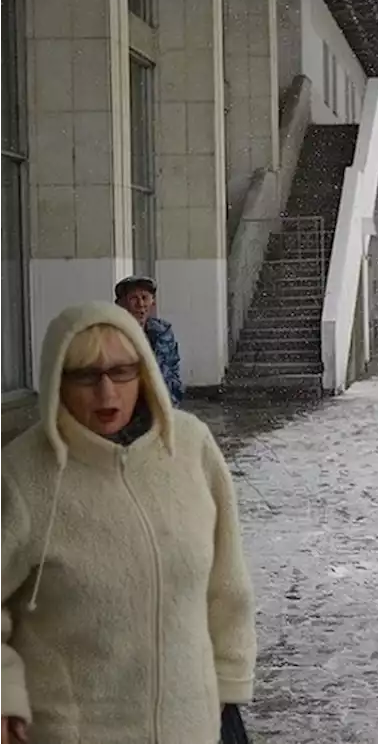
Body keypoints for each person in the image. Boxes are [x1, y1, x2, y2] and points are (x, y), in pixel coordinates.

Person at [0, 302, 255, 743]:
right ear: (57, 379)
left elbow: (226, 579)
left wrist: (229, 680)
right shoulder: (22, 475)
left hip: (194, 724)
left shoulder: (191, 449)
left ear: (145, 372)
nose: (106, 393)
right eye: (84, 375)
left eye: (121, 372)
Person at [114, 275, 183, 405]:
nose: (140, 304)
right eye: (133, 298)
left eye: (145, 298)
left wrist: (172, 402)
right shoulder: (112, 334)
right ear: (120, 304)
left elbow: (173, 369)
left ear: (153, 302)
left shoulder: (163, 332)